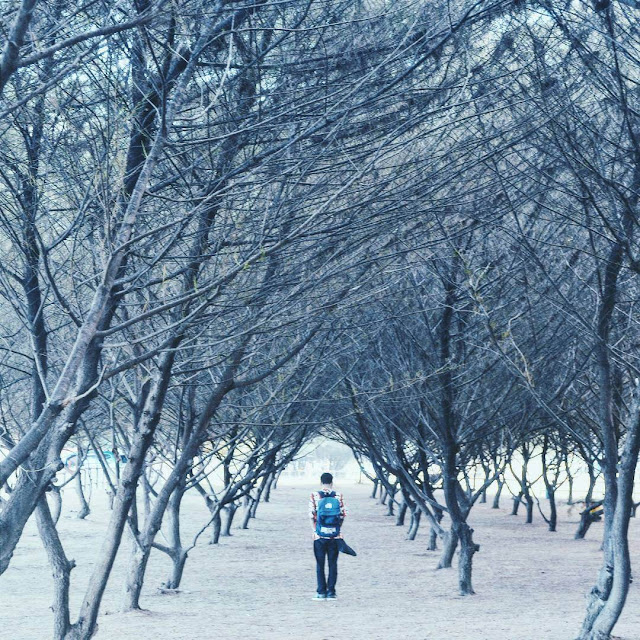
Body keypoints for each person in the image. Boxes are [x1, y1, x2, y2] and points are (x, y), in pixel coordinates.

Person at [308, 472, 347, 600]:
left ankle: (321, 592)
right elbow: (343, 515)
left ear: (321, 482)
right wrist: (337, 529)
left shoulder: (314, 495)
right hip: (334, 536)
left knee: (320, 564)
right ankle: (331, 592)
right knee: (333, 564)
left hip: (319, 536)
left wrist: (315, 530)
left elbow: (311, 515)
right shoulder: (338, 495)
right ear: (332, 482)